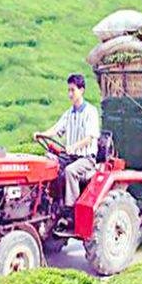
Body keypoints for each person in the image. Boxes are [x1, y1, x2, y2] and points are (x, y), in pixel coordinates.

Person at [33, 73, 100, 213]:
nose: (70, 94)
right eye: (68, 90)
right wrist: (41, 134)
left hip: (86, 159)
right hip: (70, 156)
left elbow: (90, 137)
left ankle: (71, 210)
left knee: (70, 171)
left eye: (73, 90)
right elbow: (56, 129)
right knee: (49, 161)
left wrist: (73, 147)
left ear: (81, 90)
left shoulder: (90, 112)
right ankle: (49, 201)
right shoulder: (69, 113)